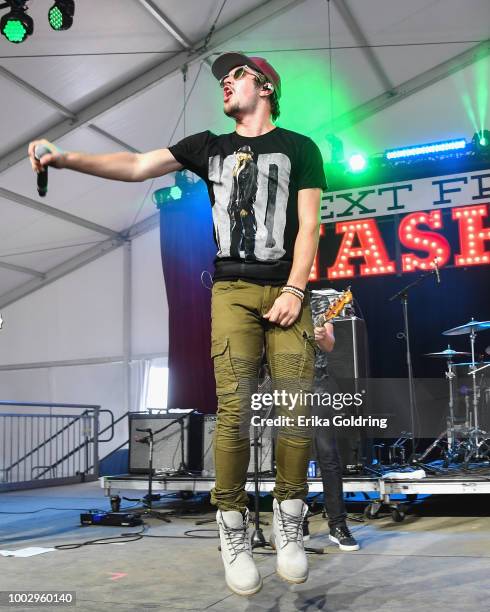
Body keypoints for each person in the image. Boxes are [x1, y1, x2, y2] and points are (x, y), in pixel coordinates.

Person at [28, 52, 326, 597]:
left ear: (264, 85)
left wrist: (295, 289)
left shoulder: (301, 148)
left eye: (234, 76)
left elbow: (309, 227)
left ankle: (289, 517)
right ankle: (233, 527)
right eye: (222, 79)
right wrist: (65, 156)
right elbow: (138, 166)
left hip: (287, 287)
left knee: (297, 407)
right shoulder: (207, 146)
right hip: (232, 289)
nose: (225, 85)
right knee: (234, 411)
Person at [306, 293, 360, 551]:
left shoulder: (319, 302)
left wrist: (322, 336)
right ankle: (297, 520)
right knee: (292, 456)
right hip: (286, 383)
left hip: (317, 383)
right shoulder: (273, 300)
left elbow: (329, 344)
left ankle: (338, 524)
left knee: (327, 453)